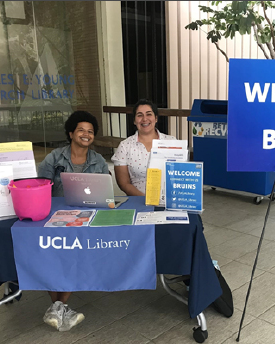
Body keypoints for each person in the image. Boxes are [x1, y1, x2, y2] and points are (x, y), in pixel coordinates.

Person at [37, 110, 109, 332]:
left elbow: (106, 195)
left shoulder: (98, 161)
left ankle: (57, 308)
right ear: (71, 133)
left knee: (75, 253)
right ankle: (61, 308)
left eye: (90, 131)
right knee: (51, 255)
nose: (86, 135)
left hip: (86, 220)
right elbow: (40, 187)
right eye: (81, 130)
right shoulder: (54, 158)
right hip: (55, 219)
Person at [111, 99, 176, 196]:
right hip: (138, 201)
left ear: (156, 118)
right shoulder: (125, 146)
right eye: (139, 115)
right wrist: (145, 200)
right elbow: (124, 184)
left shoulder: (171, 142)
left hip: (170, 200)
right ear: (134, 120)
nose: (144, 119)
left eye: (149, 114)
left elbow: (180, 176)